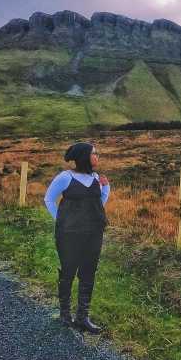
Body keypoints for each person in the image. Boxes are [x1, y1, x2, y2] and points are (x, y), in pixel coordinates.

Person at [44, 142, 110, 333]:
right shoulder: (65, 177)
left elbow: (98, 203)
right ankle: (65, 314)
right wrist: (61, 220)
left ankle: (83, 317)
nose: (97, 156)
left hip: (94, 231)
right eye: (94, 153)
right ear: (84, 156)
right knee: (68, 271)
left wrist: (106, 188)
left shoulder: (97, 178)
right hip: (69, 233)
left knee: (89, 272)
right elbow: (49, 199)